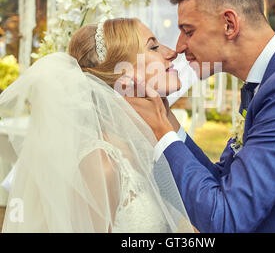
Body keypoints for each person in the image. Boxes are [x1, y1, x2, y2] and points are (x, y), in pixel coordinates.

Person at [126, 0, 275, 232]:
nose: (179, 47)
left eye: (188, 31)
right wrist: (167, 119)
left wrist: (159, 129)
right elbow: (222, 182)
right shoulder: (272, 79)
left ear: (229, 23)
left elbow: (224, 219)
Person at [0, 18, 193, 233]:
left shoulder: (150, 145)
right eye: (153, 47)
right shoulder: (103, 165)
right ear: (123, 74)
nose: (171, 52)